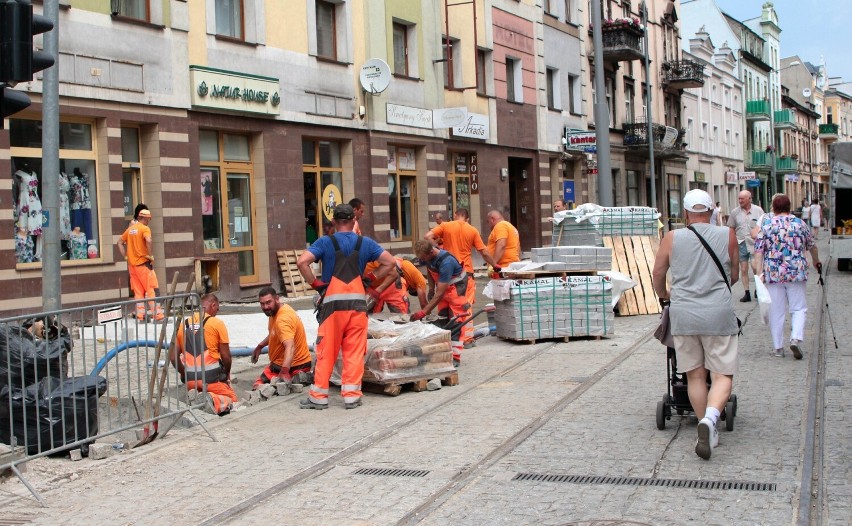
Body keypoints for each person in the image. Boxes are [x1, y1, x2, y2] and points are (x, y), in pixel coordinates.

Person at [653, 189, 740, 461]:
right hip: (718, 313)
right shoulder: (728, 235)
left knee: (695, 375)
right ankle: (712, 420)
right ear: (712, 210)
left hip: (684, 313)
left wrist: (664, 295)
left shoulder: (671, 238)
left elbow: (658, 273)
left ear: (686, 213)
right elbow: (734, 274)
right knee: (723, 374)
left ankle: (706, 424)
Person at [296, 204, 396, 410]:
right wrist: (369, 279)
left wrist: (315, 284)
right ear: (353, 221)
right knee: (354, 351)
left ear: (334, 222)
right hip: (358, 306)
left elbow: (302, 262)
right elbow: (390, 262)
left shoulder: (325, 242)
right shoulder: (365, 243)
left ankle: (319, 397)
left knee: (327, 351)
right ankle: (351, 396)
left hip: (332, 308)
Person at [753, 194, 820, 359]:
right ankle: (795, 338)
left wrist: (759, 273)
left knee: (776, 310)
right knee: (798, 308)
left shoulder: (767, 226)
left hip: (774, 273)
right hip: (796, 272)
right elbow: (812, 246)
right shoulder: (800, 224)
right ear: (789, 207)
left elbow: (758, 251)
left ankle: (778, 348)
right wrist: (817, 262)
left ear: (774, 208)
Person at [424, 208, 500, 343]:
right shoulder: (472, 230)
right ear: (467, 218)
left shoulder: (446, 226)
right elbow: (484, 252)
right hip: (465, 275)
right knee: (465, 307)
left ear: (455, 215)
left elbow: (427, 237)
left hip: (446, 274)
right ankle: (466, 339)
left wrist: (436, 249)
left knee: (444, 307)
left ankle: (446, 338)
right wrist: (494, 265)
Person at [171, 294, 238, 415]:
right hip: (211, 380)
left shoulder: (182, 325)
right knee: (233, 400)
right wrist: (226, 374)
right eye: (217, 310)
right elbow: (226, 357)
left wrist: (183, 373)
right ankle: (212, 400)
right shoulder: (217, 323)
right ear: (213, 305)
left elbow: (172, 357)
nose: (216, 313)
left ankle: (198, 398)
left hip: (191, 380)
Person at [411, 240, 471, 366]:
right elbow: (429, 269)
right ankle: (443, 353)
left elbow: (440, 294)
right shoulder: (427, 256)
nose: (422, 260)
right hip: (444, 289)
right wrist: (431, 288)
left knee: (456, 323)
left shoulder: (446, 263)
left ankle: (455, 357)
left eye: (424, 258)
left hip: (456, 291)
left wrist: (423, 312)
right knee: (443, 320)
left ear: (431, 252)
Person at [251, 287, 313, 389]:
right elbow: (275, 333)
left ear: (277, 299)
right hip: (297, 363)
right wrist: (260, 346)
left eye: (268, 302)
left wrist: (284, 371)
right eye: (262, 303)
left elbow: (290, 346)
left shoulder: (282, 319)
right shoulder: (278, 310)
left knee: (257, 387)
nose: (265, 307)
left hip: (293, 366)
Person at [117, 208, 164, 321]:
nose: (149, 221)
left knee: (138, 292)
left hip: (132, 267)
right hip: (143, 265)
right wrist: (150, 255)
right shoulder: (144, 228)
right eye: (149, 219)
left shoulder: (130, 230)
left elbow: (119, 242)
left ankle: (140, 316)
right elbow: (148, 240)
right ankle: (158, 316)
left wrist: (126, 256)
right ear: (145, 218)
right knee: (151, 290)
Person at [726, 190, 764, 302]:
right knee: (743, 269)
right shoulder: (735, 212)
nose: (740, 201)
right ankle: (747, 292)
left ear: (749, 199)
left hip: (754, 244)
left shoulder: (758, 211)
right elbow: (731, 228)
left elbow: (764, 226)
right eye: (739, 198)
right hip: (740, 243)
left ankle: (758, 289)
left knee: (755, 267)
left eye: (742, 198)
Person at [364, 257, 428, 314]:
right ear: (414, 288)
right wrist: (427, 316)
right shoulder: (421, 280)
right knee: (401, 315)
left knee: (371, 313)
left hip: (376, 281)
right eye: (410, 290)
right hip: (391, 278)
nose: (408, 290)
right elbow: (423, 303)